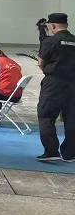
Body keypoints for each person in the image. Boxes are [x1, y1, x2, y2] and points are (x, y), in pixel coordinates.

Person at [36, 12, 75, 162]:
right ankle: (70, 153)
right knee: (72, 118)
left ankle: (51, 151)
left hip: (54, 83)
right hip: (73, 83)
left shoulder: (50, 41)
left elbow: (41, 62)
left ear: (52, 25)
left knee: (46, 115)